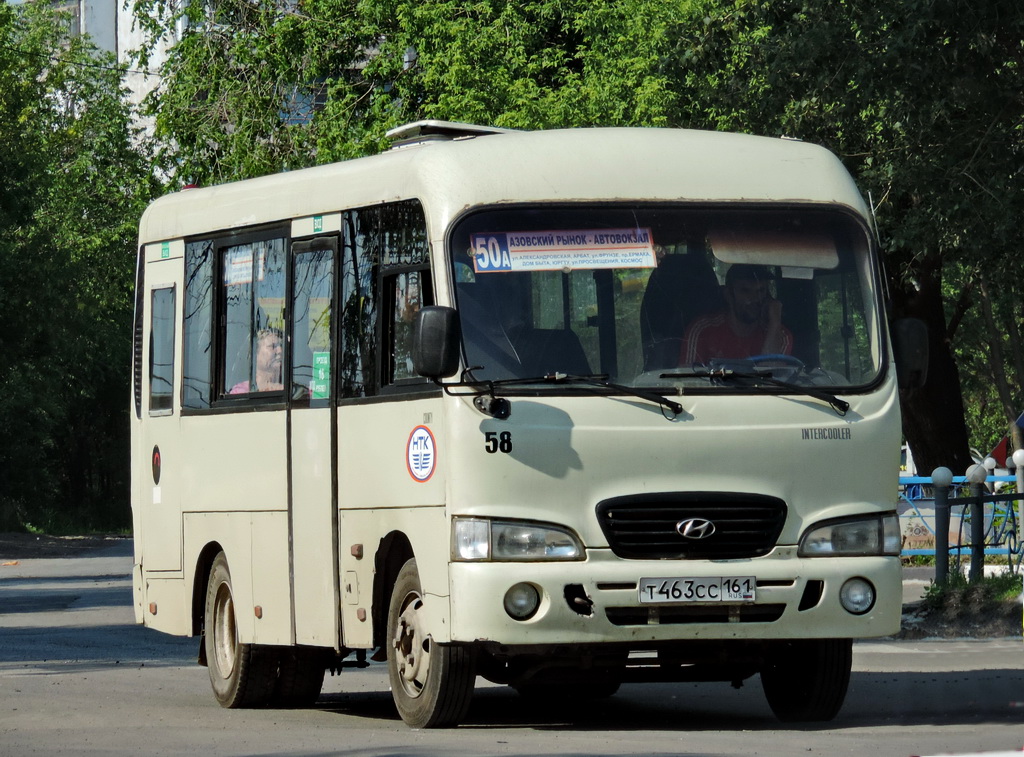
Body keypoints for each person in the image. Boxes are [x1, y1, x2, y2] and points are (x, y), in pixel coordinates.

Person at [680, 264, 792, 365]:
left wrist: (775, 322)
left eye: (761, 290)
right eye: (745, 291)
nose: (755, 299)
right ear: (729, 294)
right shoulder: (702, 330)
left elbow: (773, 379)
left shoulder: (780, 336)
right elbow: (686, 381)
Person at [230, 328, 283, 393]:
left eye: (281, 345)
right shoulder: (240, 392)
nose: (280, 350)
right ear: (255, 354)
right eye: (272, 346)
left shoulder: (292, 390)